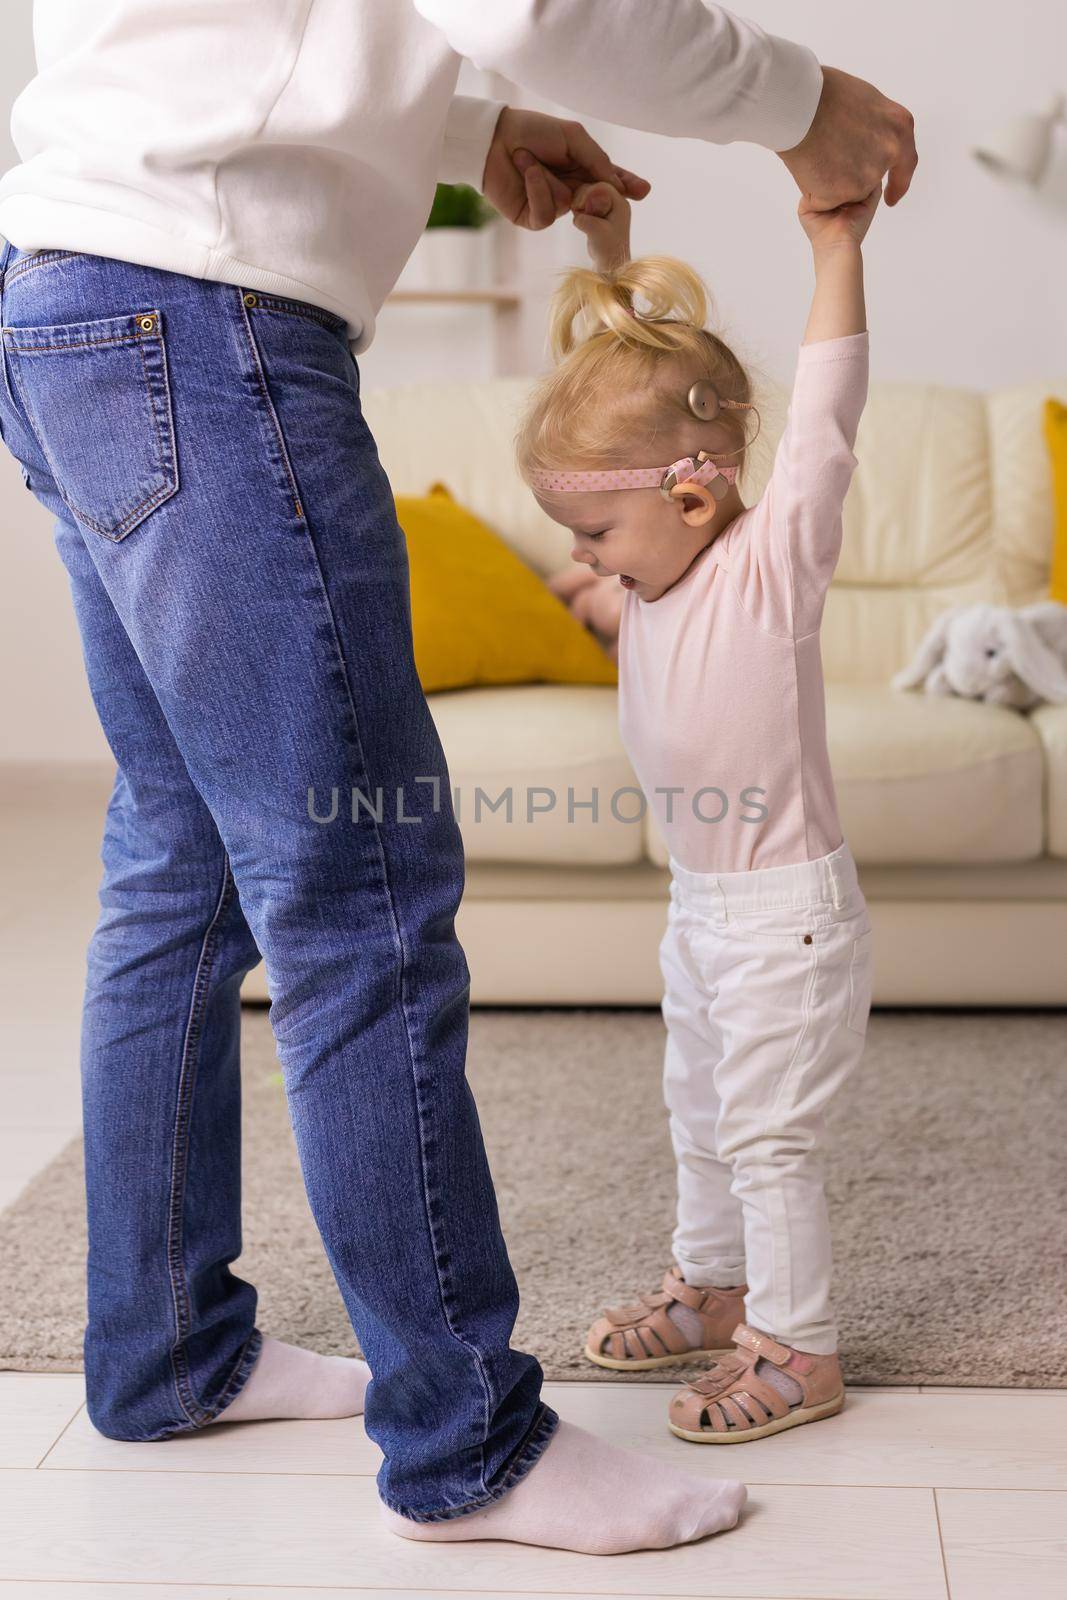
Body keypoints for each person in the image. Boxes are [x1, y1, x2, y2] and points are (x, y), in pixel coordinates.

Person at [0, 0, 913, 1556]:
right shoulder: (668, 566)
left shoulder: (745, 564)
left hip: (70, 291)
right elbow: (530, 7)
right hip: (205, 317)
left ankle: (165, 1355)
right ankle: (467, 1443)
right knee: (356, 893)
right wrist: (795, 100)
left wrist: (457, 131)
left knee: (183, 860)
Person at [516, 171, 878, 1443]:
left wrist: (833, 250)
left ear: (687, 494)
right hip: (701, 905)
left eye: (595, 534)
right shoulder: (649, 592)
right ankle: (715, 1288)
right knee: (700, 1110)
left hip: (784, 918)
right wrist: (607, 242)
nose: (584, 563)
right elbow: (624, 358)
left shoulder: (764, 572)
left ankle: (800, 1345)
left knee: (770, 1136)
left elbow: (823, 425)